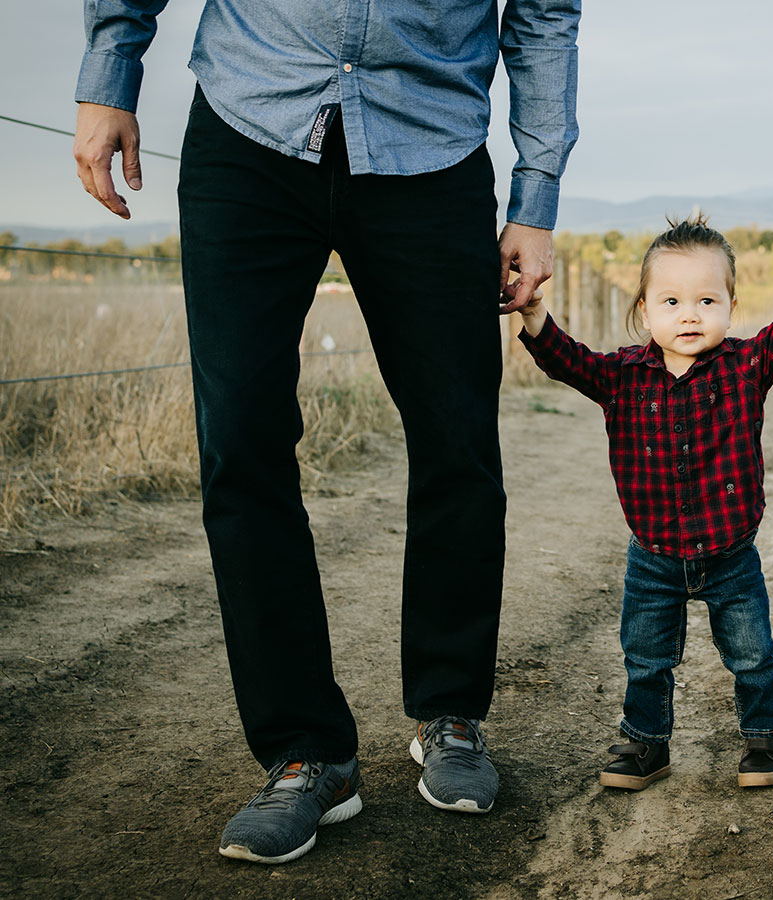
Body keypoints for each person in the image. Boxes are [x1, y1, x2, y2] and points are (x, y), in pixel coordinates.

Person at [72, 0, 580, 864]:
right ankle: (305, 753)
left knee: (459, 438)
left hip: (432, 143)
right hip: (251, 121)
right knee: (241, 440)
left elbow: (543, 13)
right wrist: (110, 68)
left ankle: (450, 715)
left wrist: (535, 194)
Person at [517, 216, 773, 790]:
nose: (689, 314)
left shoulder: (747, 366)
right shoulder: (622, 377)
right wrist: (533, 315)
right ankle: (647, 744)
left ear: (730, 305)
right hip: (653, 557)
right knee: (645, 658)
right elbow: (564, 359)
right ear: (645, 309)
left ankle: (765, 738)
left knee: (751, 652)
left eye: (705, 300)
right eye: (671, 300)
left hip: (731, 554)